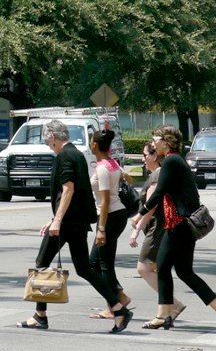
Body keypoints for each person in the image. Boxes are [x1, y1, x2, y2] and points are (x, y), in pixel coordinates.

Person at [17, 119, 132, 334]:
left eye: (46, 139)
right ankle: (118, 309)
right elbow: (74, 191)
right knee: (84, 269)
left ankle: (39, 316)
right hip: (77, 221)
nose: (46, 143)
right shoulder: (77, 154)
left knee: (41, 263)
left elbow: (68, 189)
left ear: (52, 136)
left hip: (68, 222)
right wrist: (54, 218)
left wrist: (57, 220)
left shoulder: (64, 155)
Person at [131, 125, 216, 333]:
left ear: (167, 141)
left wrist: (140, 213)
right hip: (181, 224)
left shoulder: (172, 160)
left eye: (156, 139)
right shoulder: (175, 160)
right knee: (184, 271)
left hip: (179, 224)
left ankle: (163, 315)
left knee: (163, 267)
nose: (153, 143)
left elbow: (159, 191)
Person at [129, 141, 186, 322]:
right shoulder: (158, 174)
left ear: (154, 156)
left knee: (144, 267)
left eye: (145, 155)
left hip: (157, 228)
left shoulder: (156, 176)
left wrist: (136, 230)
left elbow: (151, 207)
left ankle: (172, 305)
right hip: (159, 228)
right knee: (161, 269)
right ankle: (167, 308)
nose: (143, 159)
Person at [89, 129, 132, 320]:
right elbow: (130, 179)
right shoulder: (113, 164)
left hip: (110, 216)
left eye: (91, 141)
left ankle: (112, 306)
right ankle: (119, 296)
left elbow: (105, 200)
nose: (90, 144)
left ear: (95, 145)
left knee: (104, 264)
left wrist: (101, 229)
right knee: (94, 263)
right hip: (117, 214)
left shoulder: (103, 168)